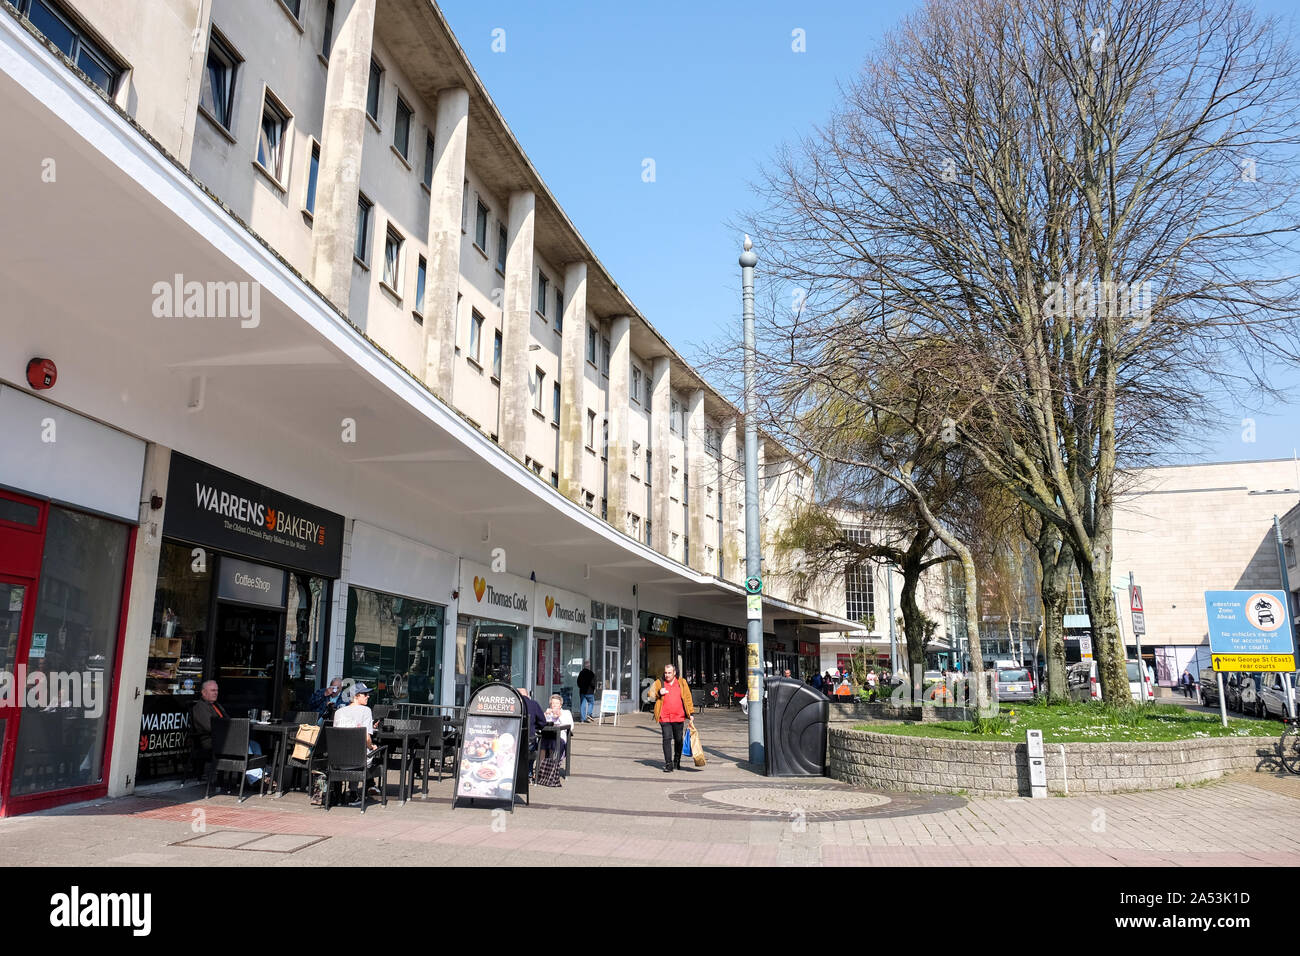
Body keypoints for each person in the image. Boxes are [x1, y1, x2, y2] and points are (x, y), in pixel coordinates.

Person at [190, 680, 263, 787]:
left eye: (217, 690)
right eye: (212, 690)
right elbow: (210, 727)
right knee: (243, 744)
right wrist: (231, 730)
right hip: (211, 742)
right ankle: (256, 778)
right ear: (204, 692)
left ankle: (258, 776)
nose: (216, 693)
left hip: (224, 739)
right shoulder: (200, 707)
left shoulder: (216, 705)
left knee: (254, 744)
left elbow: (227, 720)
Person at [332, 682, 381, 800]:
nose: (368, 696)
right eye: (364, 694)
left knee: (354, 750)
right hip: (358, 761)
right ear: (355, 696)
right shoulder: (366, 711)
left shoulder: (338, 712)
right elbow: (367, 738)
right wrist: (371, 746)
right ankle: (356, 792)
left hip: (337, 760)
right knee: (368, 751)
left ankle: (342, 794)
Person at [648, 664, 695, 772]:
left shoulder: (682, 682)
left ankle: (676, 761)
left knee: (678, 740)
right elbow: (650, 694)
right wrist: (659, 693)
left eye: (669, 673)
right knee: (666, 738)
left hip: (678, 716)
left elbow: (688, 698)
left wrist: (691, 713)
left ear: (674, 673)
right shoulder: (660, 682)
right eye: (665, 673)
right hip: (664, 717)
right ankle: (668, 764)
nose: (667, 675)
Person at [535, 693, 574, 787]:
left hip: (560, 736)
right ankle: (540, 769)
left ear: (560, 705)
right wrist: (544, 715)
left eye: (557, 704)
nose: (555, 706)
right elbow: (541, 725)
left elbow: (571, 726)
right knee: (543, 743)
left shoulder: (566, 713)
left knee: (554, 744)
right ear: (550, 705)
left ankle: (551, 771)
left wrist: (559, 716)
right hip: (548, 735)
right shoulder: (548, 713)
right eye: (553, 704)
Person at [517, 688, 549, 778]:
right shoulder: (533, 704)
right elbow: (542, 722)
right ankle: (529, 773)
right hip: (528, 740)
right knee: (531, 750)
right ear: (528, 695)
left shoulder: (513, 704)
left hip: (513, 740)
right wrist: (535, 727)